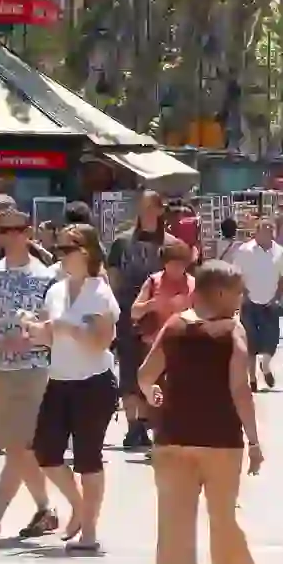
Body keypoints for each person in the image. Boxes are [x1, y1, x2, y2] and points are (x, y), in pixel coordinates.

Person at [139, 260, 262, 564]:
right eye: (238, 292)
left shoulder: (175, 326)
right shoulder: (232, 330)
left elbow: (145, 376)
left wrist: (154, 396)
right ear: (220, 293)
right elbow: (240, 388)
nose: (241, 299)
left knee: (173, 531)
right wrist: (255, 440)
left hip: (172, 440)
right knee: (223, 522)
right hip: (220, 442)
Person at [22, 224, 120, 553]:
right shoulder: (56, 291)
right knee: (45, 452)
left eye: (68, 249)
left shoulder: (100, 292)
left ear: (87, 252)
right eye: (59, 249)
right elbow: (51, 335)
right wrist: (35, 330)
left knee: (87, 458)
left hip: (93, 382)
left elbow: (101, 341)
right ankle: (79, 506)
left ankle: (89, 530)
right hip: (60, 378)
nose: (61, 255)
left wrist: (68, 328)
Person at [0, 207, 59, 545]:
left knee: (19, 445)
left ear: (28, 231)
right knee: (14, 447)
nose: (10, 236)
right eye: (3, 230)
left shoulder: (48, 277)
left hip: (35, 368)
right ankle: (44, 509)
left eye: (16, 229)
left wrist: (32, 335)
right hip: (1, 367)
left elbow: (54, 324)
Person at [108, 191, 177, 450]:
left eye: (151, 208)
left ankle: (149, 420)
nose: (146, 213)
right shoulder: (121, 243)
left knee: (157, 369)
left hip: (161, 316)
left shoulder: (170, 244)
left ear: (160, 210)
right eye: (142, 207)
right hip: (128, 312)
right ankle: (132, 426)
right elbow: (113, 279)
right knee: (128, 368)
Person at [230, 219, 283, 391]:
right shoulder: (245, 250)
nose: (268, 232)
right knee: (250, 343)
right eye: (264, 229)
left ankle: (265, 365)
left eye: (271, 229)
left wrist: (277, 297)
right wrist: (243, 294)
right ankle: (252, 379)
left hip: (270, 303)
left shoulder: (280, 253)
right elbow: (236, 275)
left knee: (271, 340)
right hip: (249, 302)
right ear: (256, 232)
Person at [132, 239, 196, 349]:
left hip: (186, 345)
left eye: (180, 264)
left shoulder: (193, 284)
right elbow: (134, 312)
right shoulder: (153, 282)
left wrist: (188, 310)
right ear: (165, 263)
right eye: (172, 263)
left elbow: (205, 315)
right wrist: (150, 305)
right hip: (156, 345)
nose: (176, 267)